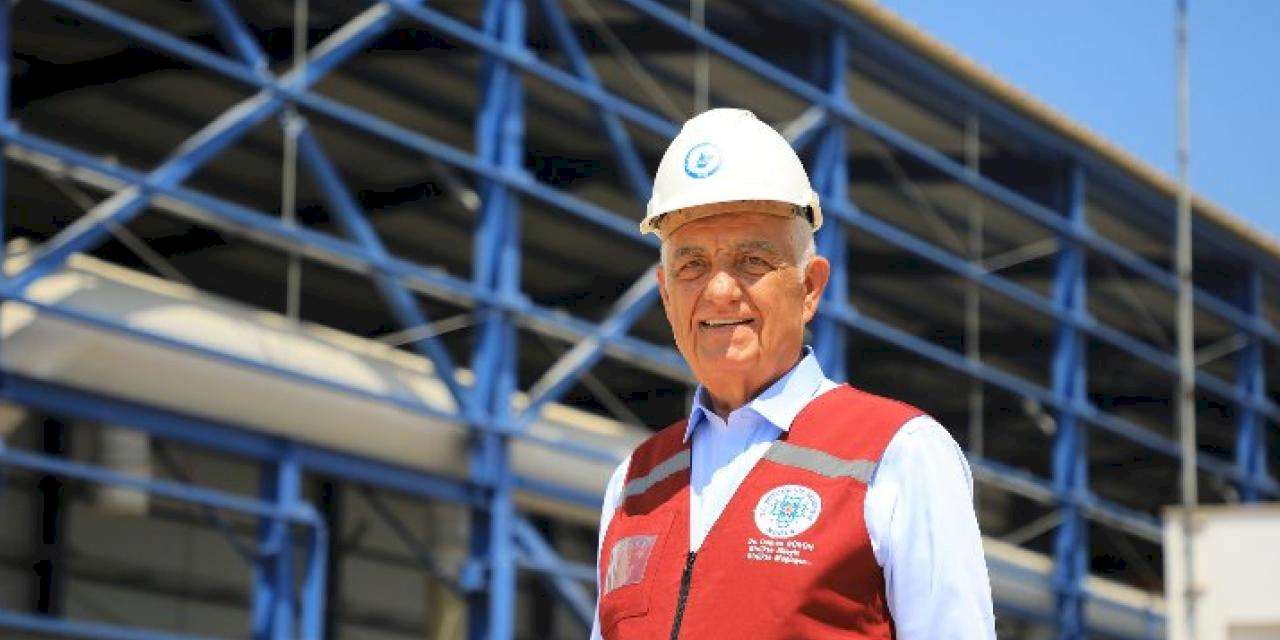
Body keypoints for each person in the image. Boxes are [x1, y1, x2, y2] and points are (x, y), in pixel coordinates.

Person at [589, 108, 995, 639]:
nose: (719, 291)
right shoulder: (633, 483)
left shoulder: (900, 454)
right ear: (666, 295)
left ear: (810, 288)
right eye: (692, 266)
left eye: (752, 261)